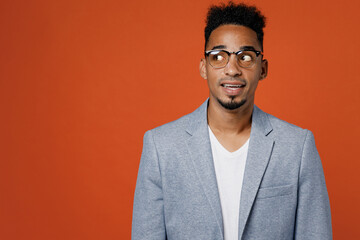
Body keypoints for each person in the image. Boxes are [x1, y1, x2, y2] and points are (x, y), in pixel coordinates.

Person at [131, 2, 332, 240]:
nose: (232, 69)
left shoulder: (297, 147)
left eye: (246, 57)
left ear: (263, 69)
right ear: (204, 67)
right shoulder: (160, 147)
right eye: (218, 56)